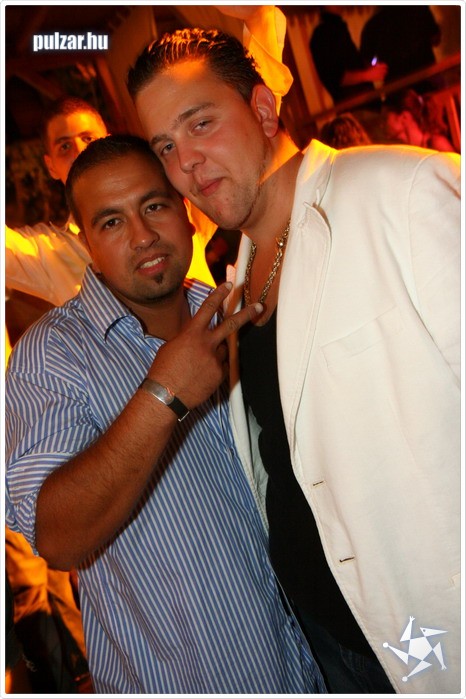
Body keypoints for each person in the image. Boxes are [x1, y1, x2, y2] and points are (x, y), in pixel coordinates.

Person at [127, 27, 461, 695]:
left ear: (262, 109)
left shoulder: (397, 191)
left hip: (434, 633)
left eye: (200, 123)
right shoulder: (234, 281)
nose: (186, 162)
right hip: (330, 648)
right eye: (165, 146)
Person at [5, 134, 325, 695]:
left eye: (153, 205)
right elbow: (57, 536)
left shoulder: (232, 309)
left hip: (308, 667)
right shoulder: (54, 353)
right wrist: (164, 394)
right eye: (111, 222)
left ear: (185, 211)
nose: (143, 235)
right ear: (86, 242)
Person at [5, 5, 292, 305]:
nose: (81, 151)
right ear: (50, 166)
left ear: (108, 141)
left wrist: (257, 18)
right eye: (64, 146)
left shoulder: (174, 197)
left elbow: (244, 118)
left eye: (88, 138)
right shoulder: (48, 255)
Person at [309, 6, 387, 105]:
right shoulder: (323, 33)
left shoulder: (336, 28)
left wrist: (368, 69)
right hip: (355, 106)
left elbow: (346, 66)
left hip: (363, 103)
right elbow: (335, 77)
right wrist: (367, 74)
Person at [360, 5, 442, 92]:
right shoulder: (418, 8)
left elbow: (366, 64)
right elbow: (435, 40)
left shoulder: (372, 25)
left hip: (397, 88)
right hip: (427, 78)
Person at [383, 88, 457, 152]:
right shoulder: (405, 151)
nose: (382, 125)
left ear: (404, 117)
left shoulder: (436, 143)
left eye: (385, 118)